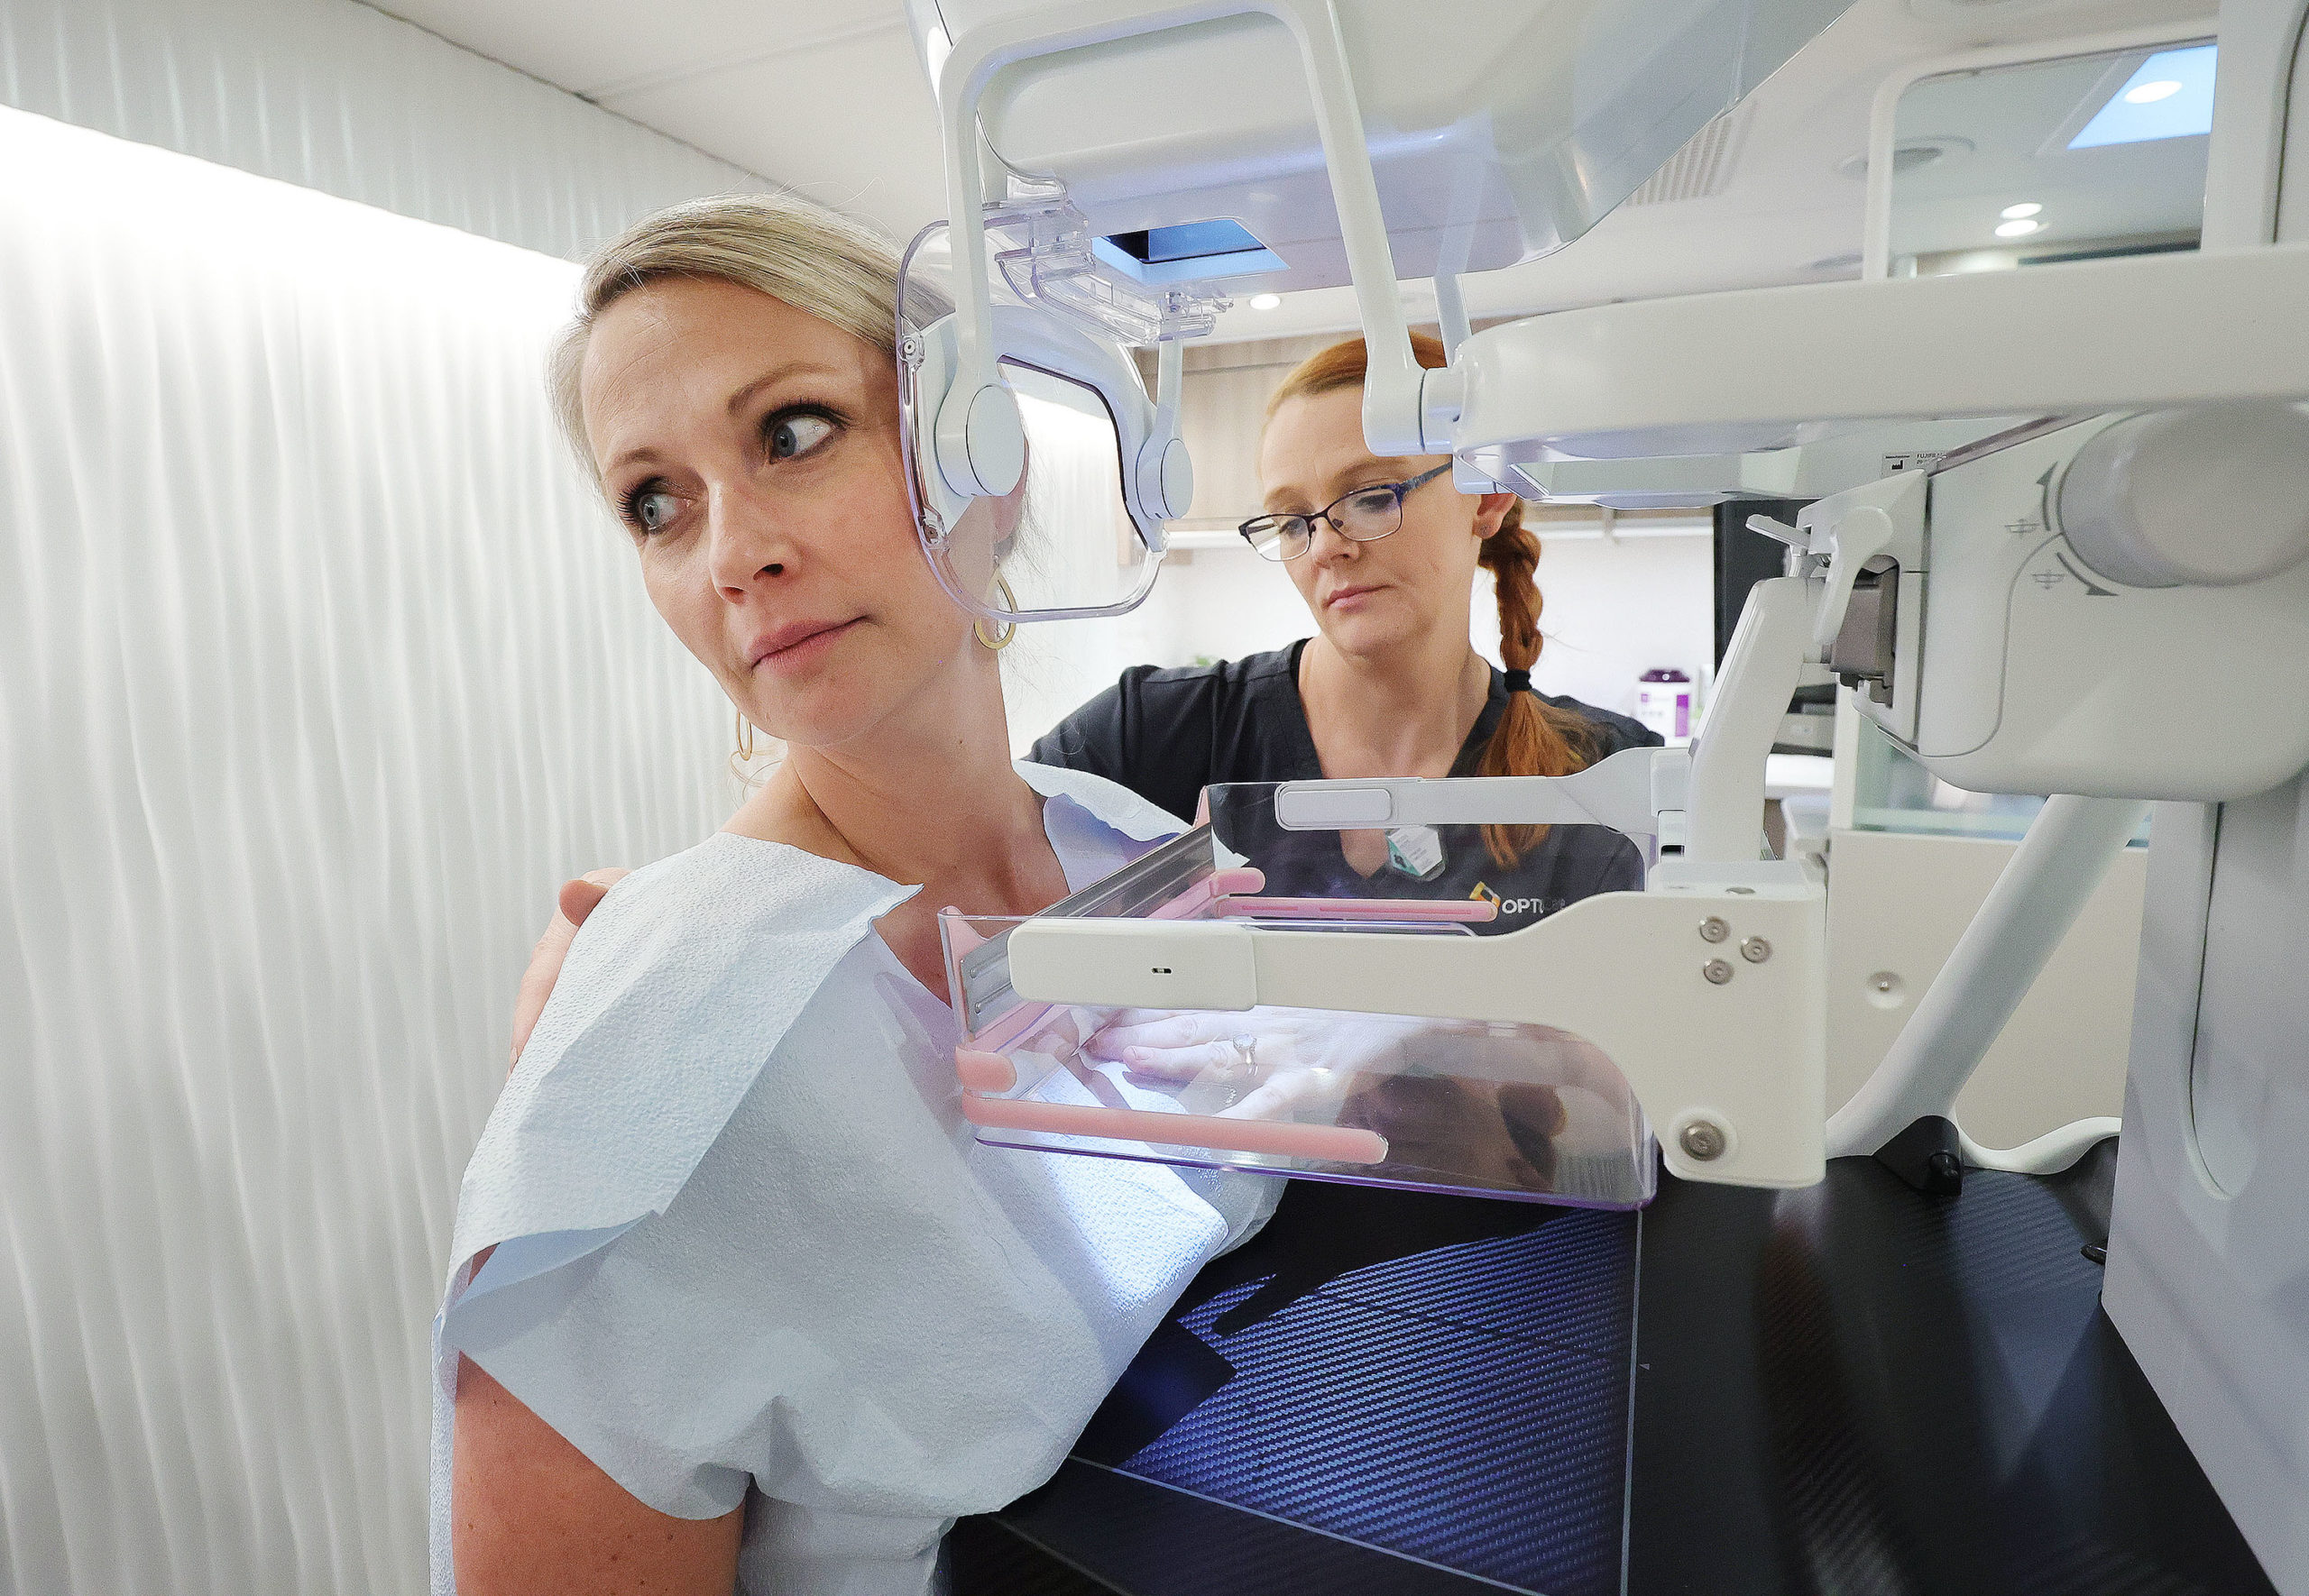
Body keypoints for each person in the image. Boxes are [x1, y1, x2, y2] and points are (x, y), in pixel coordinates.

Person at [436, 193, 1274, 1596]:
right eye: (657, 504)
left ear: (985, 458)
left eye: (792, 430)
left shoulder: (1125, 851)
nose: (731, 554)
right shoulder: (643, 1081)